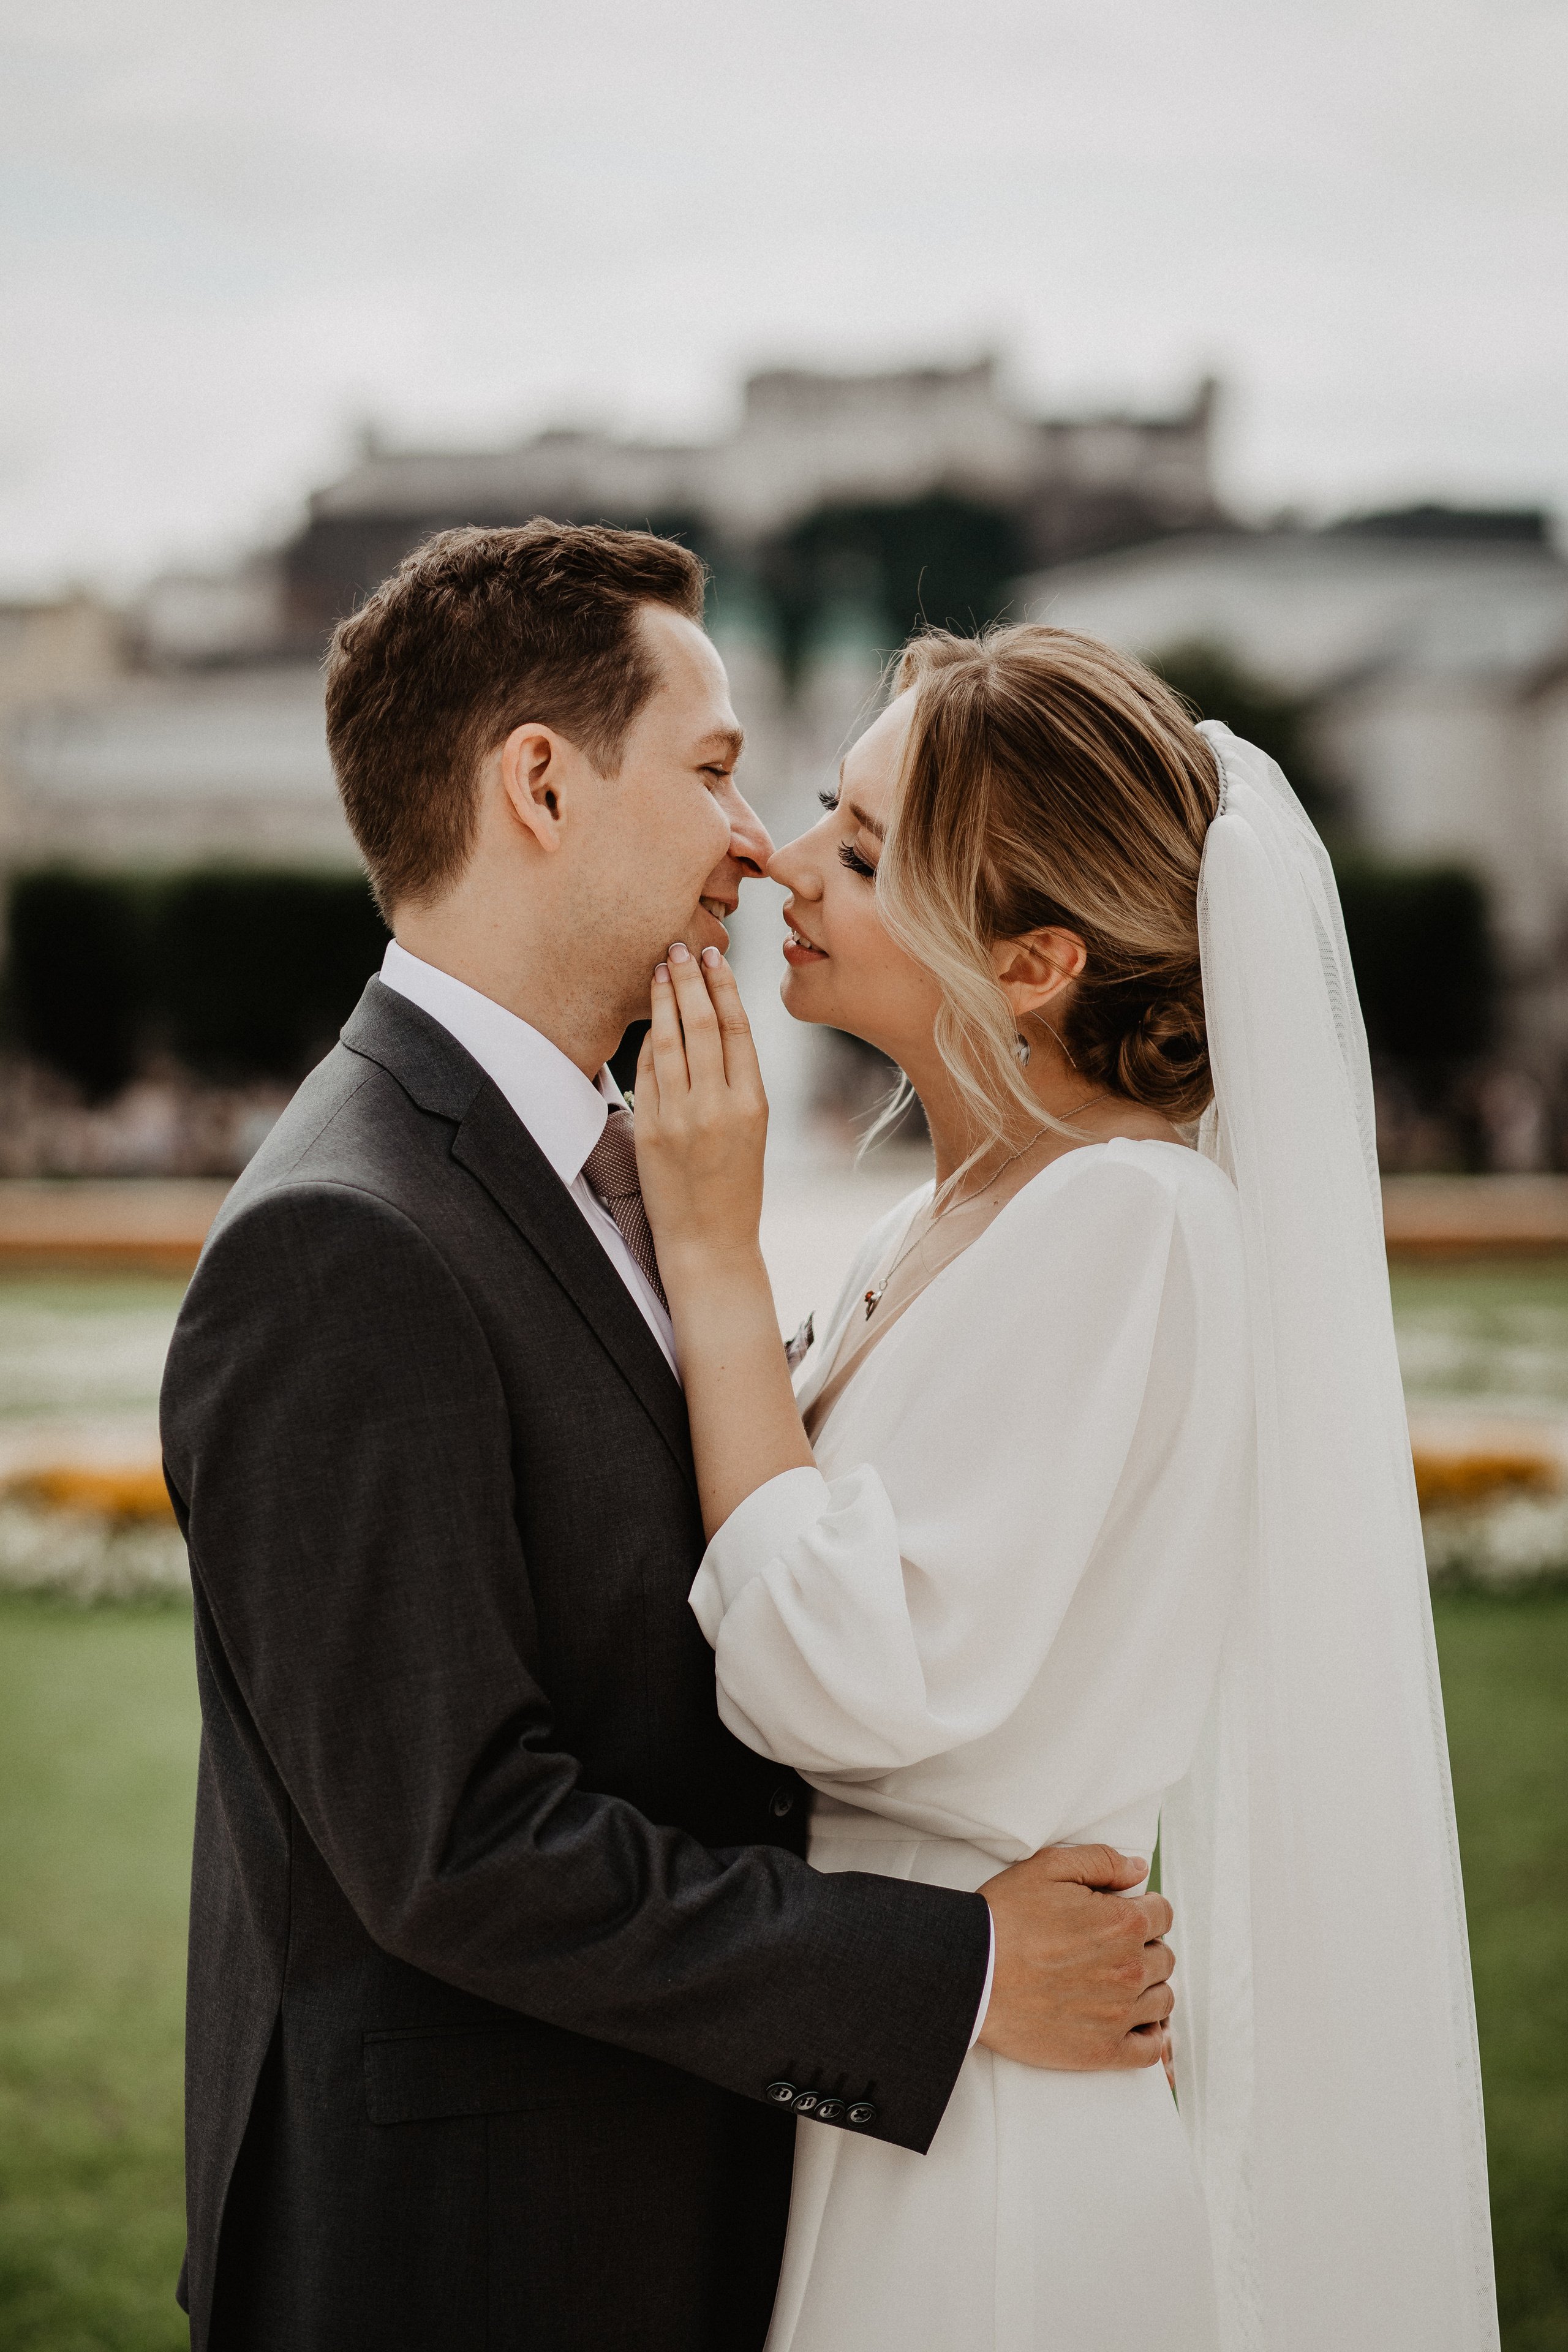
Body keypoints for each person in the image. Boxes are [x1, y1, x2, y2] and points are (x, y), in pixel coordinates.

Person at [158, 529, 1180, 2352]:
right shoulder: (346, 1239)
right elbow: (461, 1844)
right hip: (477, 2257)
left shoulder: (592, 1166)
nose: (755, 844)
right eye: (714, 771)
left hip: (661, 2207)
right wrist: (953, 1971)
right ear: (540, 787)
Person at [634, 624, 1500, 2351]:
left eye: (862, 855)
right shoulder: (944, 1218)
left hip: (985, 2138)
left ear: (1029, 963)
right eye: (825, 819)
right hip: (900, 2050)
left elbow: (838, 1676)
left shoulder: (1129, 1219)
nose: (783, 867)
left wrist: (717, 1262)